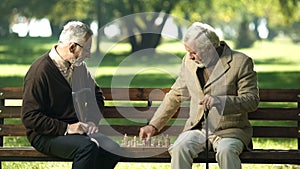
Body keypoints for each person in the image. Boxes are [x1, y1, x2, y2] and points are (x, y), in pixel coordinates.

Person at [139, 22, 259, 169]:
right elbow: (175, 95)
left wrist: (220, 102)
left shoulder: (241, 62)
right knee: (180, 147)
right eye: (188, 51)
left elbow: (251, 101)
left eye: (193, 52)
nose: (190, 57)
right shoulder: (189, 62)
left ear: (210, 49)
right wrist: (154, 125)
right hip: (197, 128)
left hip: (231, 131)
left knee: (226, 151)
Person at [21, 21, 119, 169]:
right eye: (86, 50)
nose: (89, 55)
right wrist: (68, 128)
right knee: (87, 147)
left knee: (113, 149)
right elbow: (30, 117)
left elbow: (96, 95)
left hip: (77, 133)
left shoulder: (79, 67)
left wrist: (92, 121)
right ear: (72, 47)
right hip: (45, 136)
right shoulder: (39, 71)